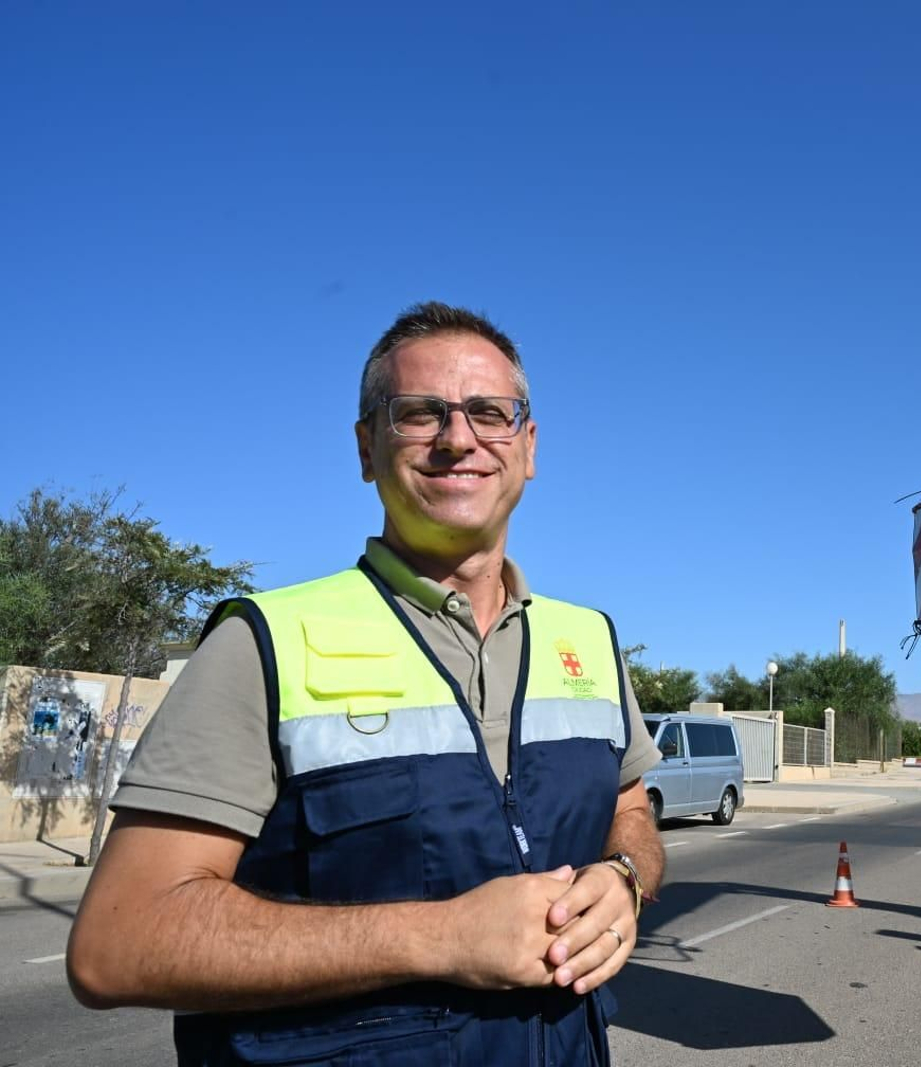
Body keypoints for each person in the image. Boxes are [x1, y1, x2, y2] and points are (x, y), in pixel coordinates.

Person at [67, 302, 665, 1066]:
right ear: (366, 445)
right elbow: (119, 941)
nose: (459, 438)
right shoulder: (264, 643)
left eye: (489, 412)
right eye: (420, 413)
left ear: (529, 445)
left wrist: (623, 879)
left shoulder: (590, 640)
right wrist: (441, 937)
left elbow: (630, 812)